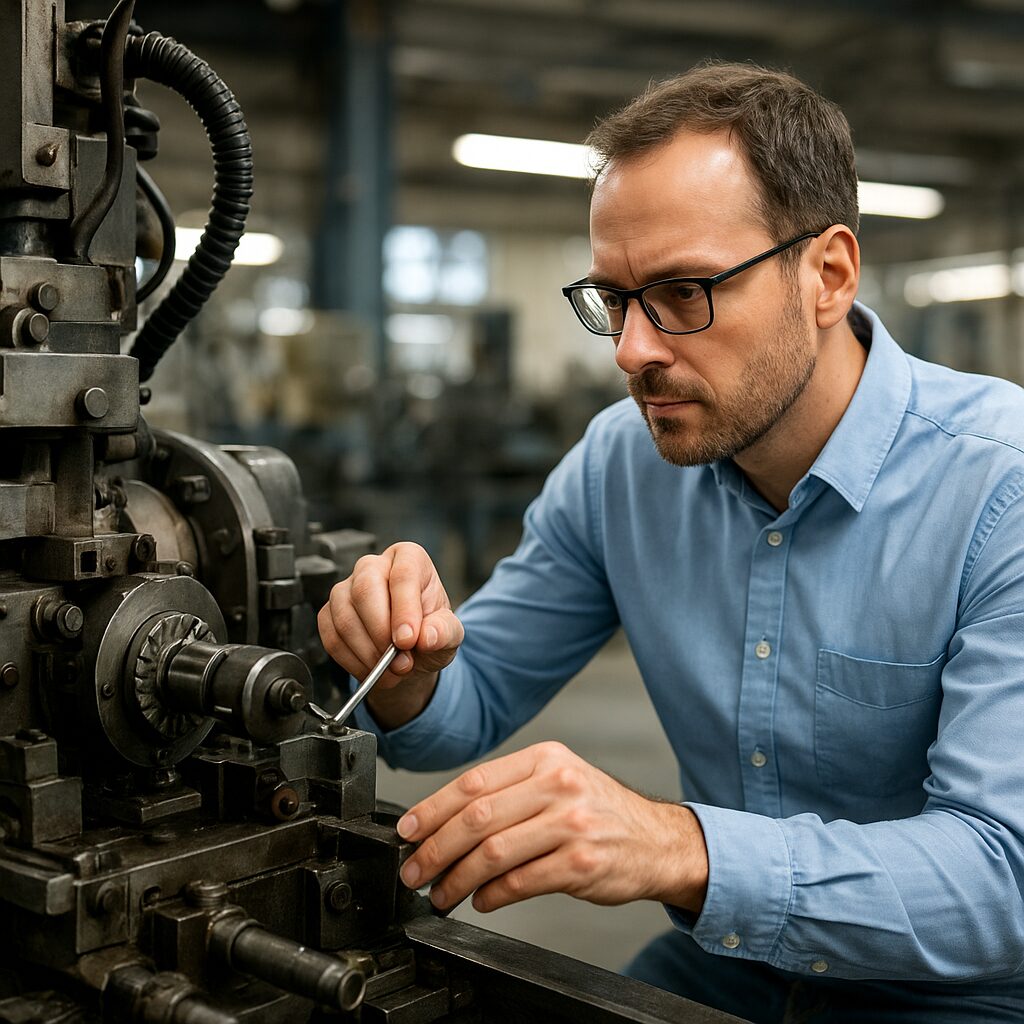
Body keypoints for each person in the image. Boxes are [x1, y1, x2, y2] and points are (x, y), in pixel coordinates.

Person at [318, 62, 1024, 1022]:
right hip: (736, 964)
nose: (631, 350)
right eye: (613, 298)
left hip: (964, 995)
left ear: (827, 274)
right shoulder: (622, 465)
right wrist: (404, 668)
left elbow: (1001, 877)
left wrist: (679, 849)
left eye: (684, 291)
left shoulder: (1000, 489)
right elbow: (468, 701)